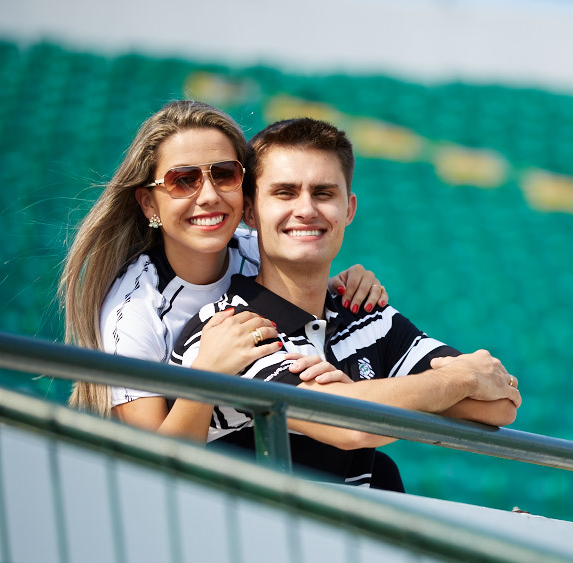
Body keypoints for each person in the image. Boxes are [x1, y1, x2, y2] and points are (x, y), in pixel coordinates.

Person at [172, 117, 521, 490]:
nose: (306, 209)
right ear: (250, 211)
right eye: (285, 193)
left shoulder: (368, 315)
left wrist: (363, 398)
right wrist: (458, 378)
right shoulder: (225, 328)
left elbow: (499, 405)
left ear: (349, 209)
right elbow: (347, 426)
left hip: (346, 526)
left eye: (323, 193)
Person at [59, 100, 388, 438]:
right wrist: (207, 373)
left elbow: (307, 298)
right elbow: (152, 456)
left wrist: (343, 286)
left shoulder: (260, 248)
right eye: (182, 180)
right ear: (148, 203)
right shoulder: (133, 312)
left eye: (224, 174)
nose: (209, 196)